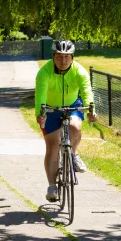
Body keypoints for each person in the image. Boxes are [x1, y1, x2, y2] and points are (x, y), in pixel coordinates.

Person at [35, 39, 97, 202]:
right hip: (50, 107)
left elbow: (86, 92)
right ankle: (52, 186)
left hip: (72, 105)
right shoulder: (44, 72)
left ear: (72, 57)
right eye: (59, 56)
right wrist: (40, 114)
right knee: (53, 145)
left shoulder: (79, 71)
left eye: (67, 57)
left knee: (75, 127)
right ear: (53, 56)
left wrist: (92, 110)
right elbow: (40, 95)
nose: (63, 61)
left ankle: (74, 154)